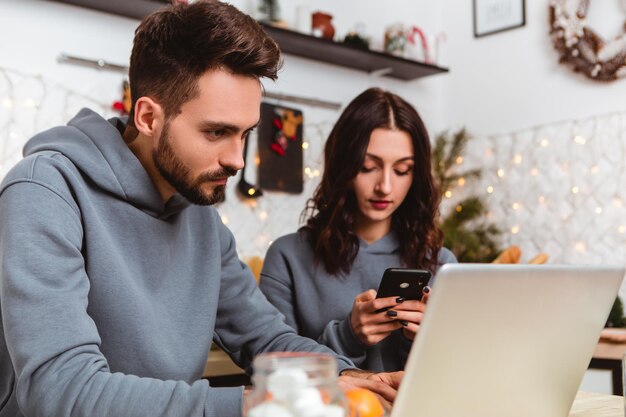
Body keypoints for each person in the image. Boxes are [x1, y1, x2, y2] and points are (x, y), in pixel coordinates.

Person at [0, 3, 401, 417]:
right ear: (148, 117)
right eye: (216, 132)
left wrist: (347, 376)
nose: (237, 159)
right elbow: (61, 392)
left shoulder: (199, 212)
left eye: (245, 133)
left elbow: (263, 335)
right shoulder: (44, 190)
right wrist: (257, 405)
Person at [259, 88, 457, 373]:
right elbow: (272, 370)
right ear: (343, 164)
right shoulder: (289, 257)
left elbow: (455, 374)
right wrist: (348, 337)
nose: (385, 187)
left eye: (402, 170)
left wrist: (422, 340)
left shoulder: (442, 264)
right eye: (368, 167)